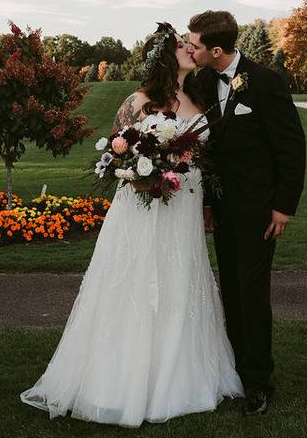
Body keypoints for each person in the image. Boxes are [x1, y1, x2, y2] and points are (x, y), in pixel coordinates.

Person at [20, 23, 243, 427]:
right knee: (137, 281)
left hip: (185, 206)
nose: (190, 50)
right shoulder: (138, 101)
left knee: (180, 280)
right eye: (181, 46)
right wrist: (144, 172)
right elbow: (114, 157)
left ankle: (180, 375)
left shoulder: (199, 97)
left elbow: (209, 158)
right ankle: (120, 381)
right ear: (164, 56)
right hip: (144, 206)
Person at [187, 10, 307, 416]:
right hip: (221, 210)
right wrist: (205, 203)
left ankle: (258, 383)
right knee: (232, 292)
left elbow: (291, 148)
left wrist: (283, 207)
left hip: (259, 211)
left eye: (196, 44)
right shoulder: (202, 81)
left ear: (216, 50)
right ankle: (234, 371)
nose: (191, 48)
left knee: (253, 293)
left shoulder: (267, 83)